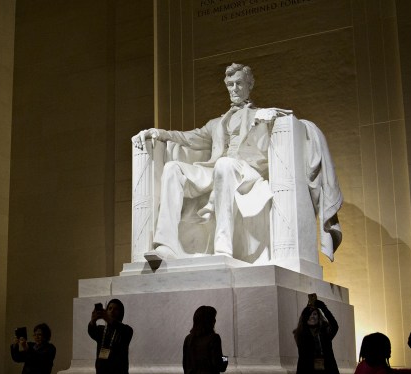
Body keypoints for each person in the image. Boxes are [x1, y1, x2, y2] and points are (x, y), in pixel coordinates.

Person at [132, 63, 342, 261]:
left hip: (247, 173)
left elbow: (286, 118)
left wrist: (272, 117)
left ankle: (223, 247)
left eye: (239, 83)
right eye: (230, 85)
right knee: (172, 168)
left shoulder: (260, 115)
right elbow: (189, 137)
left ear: (249, 86)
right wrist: (159, 133)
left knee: (225, 164)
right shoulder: (216, 123)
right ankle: (166, 245)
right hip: (216, 170)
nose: (234, 88)